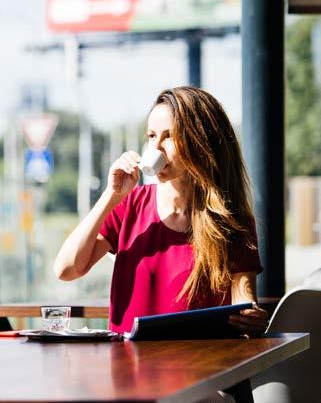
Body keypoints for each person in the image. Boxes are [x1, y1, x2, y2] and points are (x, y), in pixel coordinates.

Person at [53, 87, 268, 336]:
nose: (156, 148)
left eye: (169, 137)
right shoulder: (129, 205)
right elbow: (67, 269)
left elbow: (244, 307)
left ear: (201, 142)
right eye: (152, 136)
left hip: (204, 367)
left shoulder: (231, 222)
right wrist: (111, 196)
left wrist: (252, 320)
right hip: (131, 368)